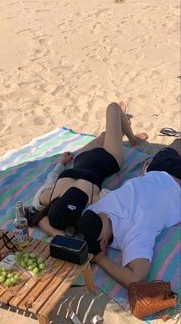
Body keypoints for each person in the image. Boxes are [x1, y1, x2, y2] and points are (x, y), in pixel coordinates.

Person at [28, 101, 148, 236]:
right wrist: (144, 174)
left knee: (106, 134)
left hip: (83, 157)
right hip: (110, 158)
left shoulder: (44, 197)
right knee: (113, 108)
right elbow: (125, 192)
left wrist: (61, 163)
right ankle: (132, 139)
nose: (73, 195)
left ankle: (122, 127)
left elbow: (52, 178)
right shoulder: (94, 201)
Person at [73, 138, 181, 288]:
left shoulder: (100, 216)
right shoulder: (131, 234)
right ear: (104, 243)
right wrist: (100, 259)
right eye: (100, 220)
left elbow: (134, 277)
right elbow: (136, 278)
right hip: (169, 177)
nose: (103, 214)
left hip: (161, 171)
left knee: (177, 142)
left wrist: (96, 256)